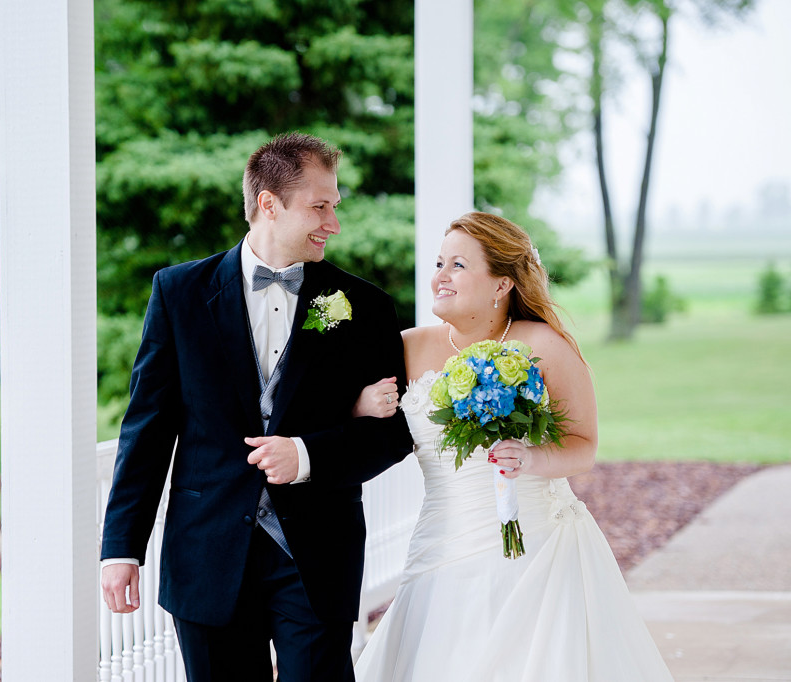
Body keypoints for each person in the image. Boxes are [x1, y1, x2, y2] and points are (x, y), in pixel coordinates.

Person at [100, 132, 414, 682]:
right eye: (320, 207)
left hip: (317, 557)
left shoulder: (364, 306)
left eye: (334, 207)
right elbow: (148, 428)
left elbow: (393, 435)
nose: (333, 224)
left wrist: (308, 455)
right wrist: (120, 547)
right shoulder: (178, 294)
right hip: (208, 553)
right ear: (268, 203)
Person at [353, 212, 674, 681]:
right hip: (441, 543)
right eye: (439, 263)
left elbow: (584, 446)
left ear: (502, 283)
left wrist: (533, 458)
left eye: (458, 266)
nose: (439, 277)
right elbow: (345, 421)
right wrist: (361, 404)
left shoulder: (543, 344)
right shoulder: (408, 347)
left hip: (535, 545)